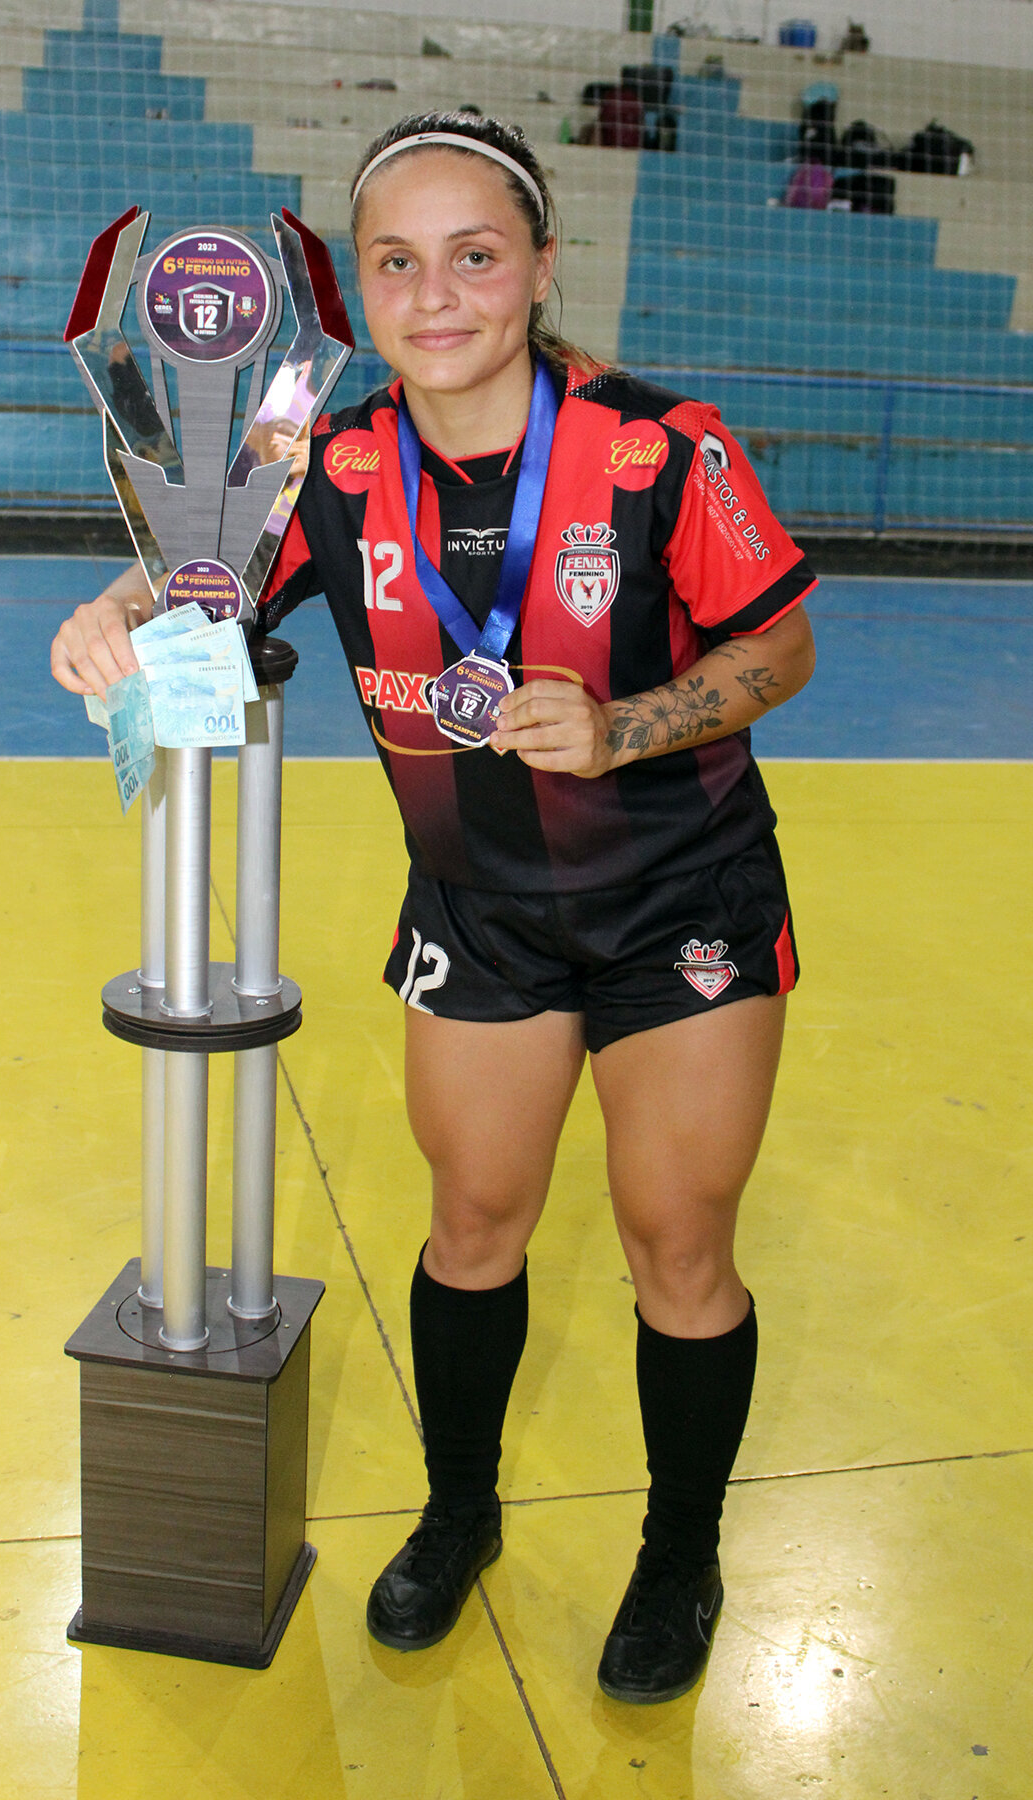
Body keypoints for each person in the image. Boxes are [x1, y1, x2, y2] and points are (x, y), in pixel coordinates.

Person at [50, 110, 816, 1705]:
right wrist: (113, 612)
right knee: (472, 1227)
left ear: (539, 266)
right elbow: (196, 571)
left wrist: (622, 725)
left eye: (475, 255)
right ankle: (460, 1513)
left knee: (678, 1243)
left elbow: (780, 648)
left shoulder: (661, 448)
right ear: (361, 289)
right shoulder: (325, 458)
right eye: (396, 262)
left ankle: (679, 1552)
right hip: (479, 911)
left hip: (683, 903)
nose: (436, 293)